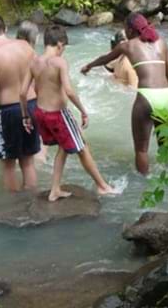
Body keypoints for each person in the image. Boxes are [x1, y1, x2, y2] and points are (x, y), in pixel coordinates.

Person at [24, 25, 116, 202]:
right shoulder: (59, 62)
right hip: (58, 114)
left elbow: (23, 92)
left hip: (40, 113)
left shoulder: (34, 62)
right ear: (59, 44)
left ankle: (55, 189)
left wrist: (25, 115)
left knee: (64, 147)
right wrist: (83, 110)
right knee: (82, 147)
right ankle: (102, 186)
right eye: (64, 47)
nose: (63, 50)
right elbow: (69, 91)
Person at [81, 13, 168, 175]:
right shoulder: (162, 43)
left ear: (131, 31)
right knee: (166, 145)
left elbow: (105, 58)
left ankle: (142, 185)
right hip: (166, 96)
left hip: (147, 96)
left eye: (125, 29)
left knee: (141, 149)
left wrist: (89, 66)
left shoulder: (128, 46)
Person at [0, 15, 40, 192]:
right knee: (28, 162)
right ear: (5, 29)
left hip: (9, 111)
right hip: (31, 105)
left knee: (8, 165)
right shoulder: (26, 46)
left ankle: (14, 209)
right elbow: (38, 77)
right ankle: (33, 203)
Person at [17, 20, 48, 165]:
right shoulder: (34, 57)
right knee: (39, 146)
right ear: (34, 37)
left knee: (19, 152)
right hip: (31, 103)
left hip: (11, 105)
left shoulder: (9, 54)